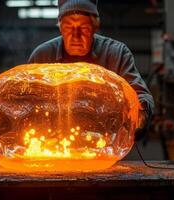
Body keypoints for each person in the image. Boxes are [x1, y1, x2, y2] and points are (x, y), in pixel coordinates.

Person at [28, 0, 154, 140]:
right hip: (52, 144)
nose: (76, 36)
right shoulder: (42, 56)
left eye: (84, 28)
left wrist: (139, 114)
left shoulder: (116, 54)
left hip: (103, 145)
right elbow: (27, 101)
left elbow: (141, 95)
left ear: (95, 27)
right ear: (60, 28)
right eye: (69, 28)